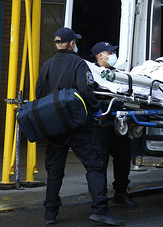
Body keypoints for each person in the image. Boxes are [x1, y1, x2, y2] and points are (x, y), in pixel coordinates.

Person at [36, 28, 124, 226]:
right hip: (78, 124)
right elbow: (86, 90)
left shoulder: (47, 65)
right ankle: (100, 210)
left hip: (55, 126)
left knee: (54, 170)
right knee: (94, 165)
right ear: (71, 44)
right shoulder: (79, 63)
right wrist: (96, 111)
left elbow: (39, 94)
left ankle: (50, 214)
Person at [91, 41, 138, 208]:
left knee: (124, 157)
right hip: (101, 124)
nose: (112, 55)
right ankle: (100, 197)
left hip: (118, 123)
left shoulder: (117, 74)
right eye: (109, 52)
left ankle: (121, 192)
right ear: (100, 56)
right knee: (100, 161)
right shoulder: (93, 74)